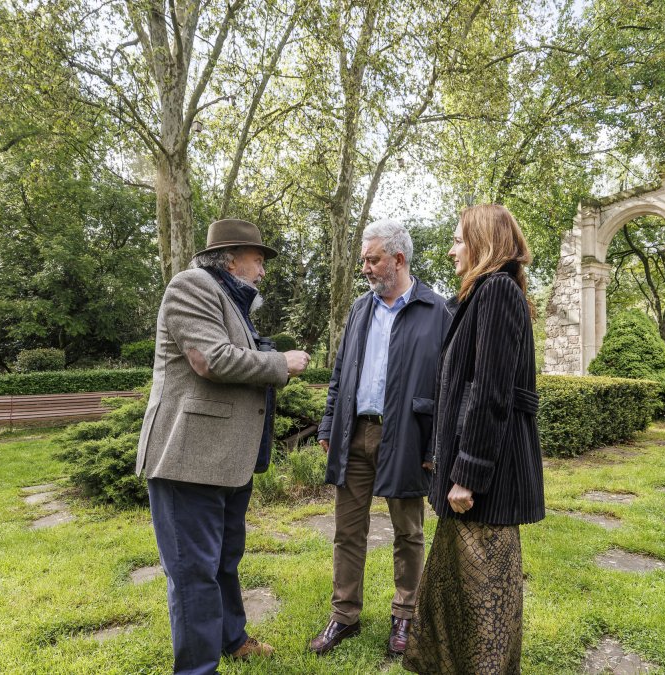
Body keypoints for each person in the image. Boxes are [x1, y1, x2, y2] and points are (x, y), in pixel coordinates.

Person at [136, 218, 311, 675]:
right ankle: (197, 668)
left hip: (226, 461)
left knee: (224, 560)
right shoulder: (191, 286)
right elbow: (210, 360)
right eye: (258, 260)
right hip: (187, 460)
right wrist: (281, 363)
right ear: (231, 259)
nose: (263, 270)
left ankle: (233, 639)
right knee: (194, 574)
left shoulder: (231, 300)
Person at [402, 204, 545, 674]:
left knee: (487, 603)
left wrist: (468, 473)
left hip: (488, 481)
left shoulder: (498, 291)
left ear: (483, 243)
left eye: (458, 240)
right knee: (454, 591)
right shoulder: (481, 296)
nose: (451, 250)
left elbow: (491, 393)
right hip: (468, 475)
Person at [309, 219, 452, 657]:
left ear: (398, 259)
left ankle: (404, 617)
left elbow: (448, 387)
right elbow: (340, 375)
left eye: (372, 260)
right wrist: (330, 427)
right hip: (355, 435)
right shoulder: (359, 309)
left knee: (408, 532)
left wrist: (434, 448)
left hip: (406, 437)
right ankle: (344, 615)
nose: (366, 268)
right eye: (364, 261)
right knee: (346, 531)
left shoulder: (437, 311)